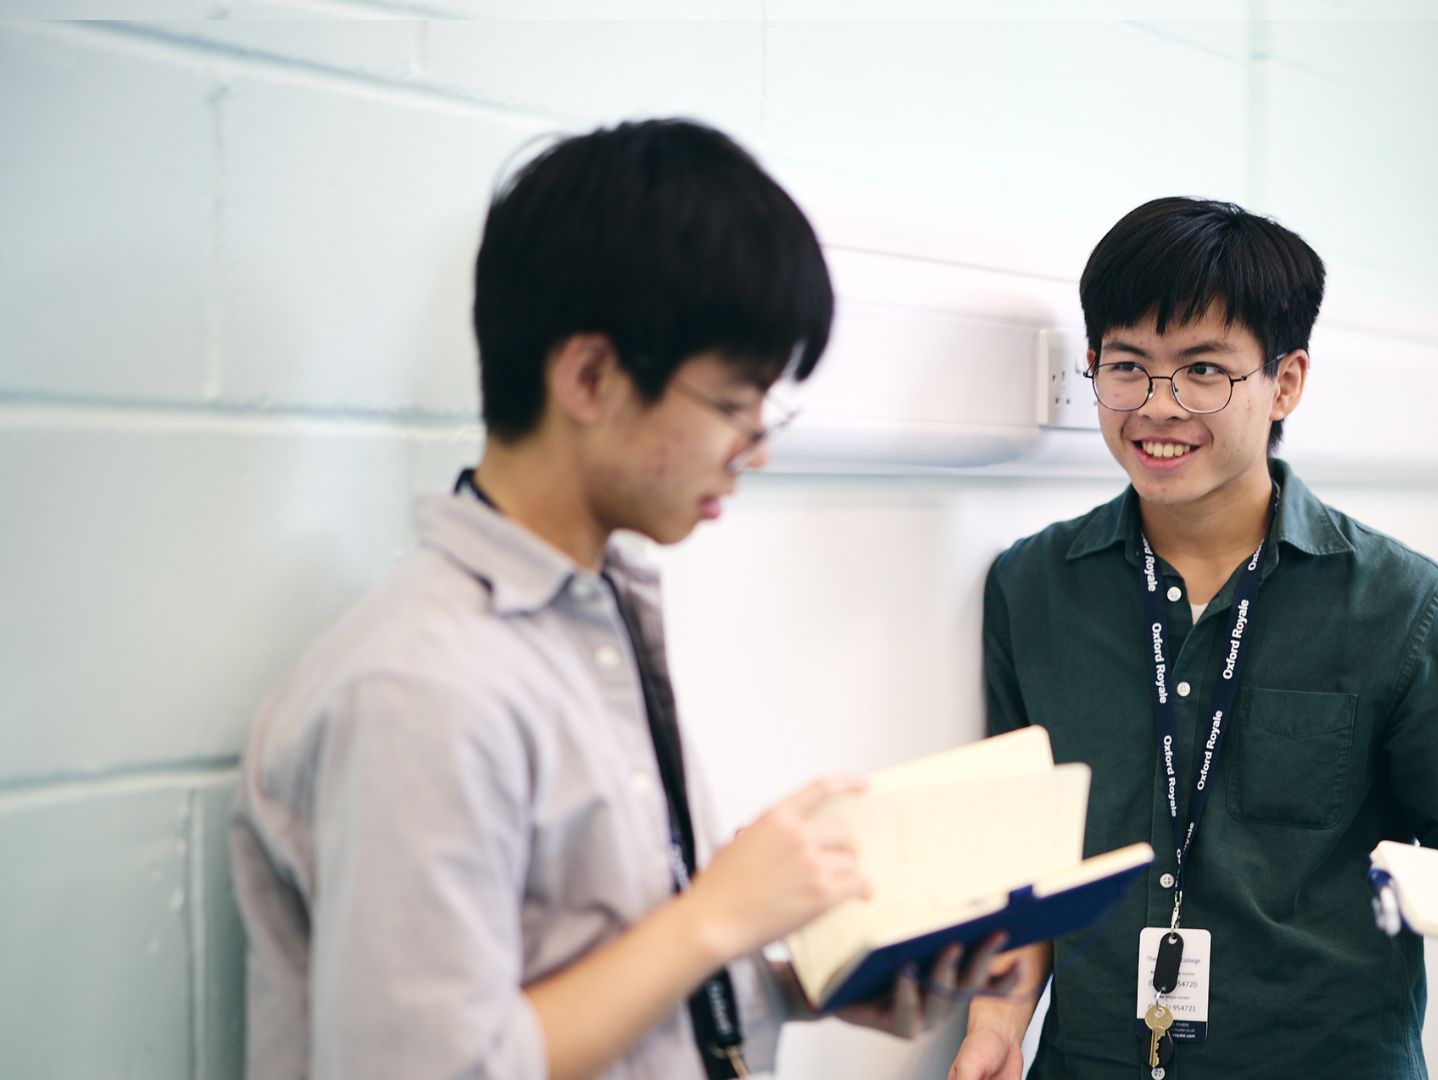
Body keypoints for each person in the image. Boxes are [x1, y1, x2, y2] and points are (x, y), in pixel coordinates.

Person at [230, 118, 1015, 1080]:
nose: (756, 448)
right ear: (591, 376)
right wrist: (718, 911)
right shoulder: (418, 685)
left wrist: (815, 977)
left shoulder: (599, 614)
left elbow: (609, 976)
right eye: (732, 406)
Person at [949, 197, 1438, 1080]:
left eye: (1203, 370)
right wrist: (996, 1028)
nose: (1158, 407)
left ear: (1285, 382)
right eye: (1126, 367)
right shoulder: (1035, 587)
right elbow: (1023, 856)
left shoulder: (1402, 605)